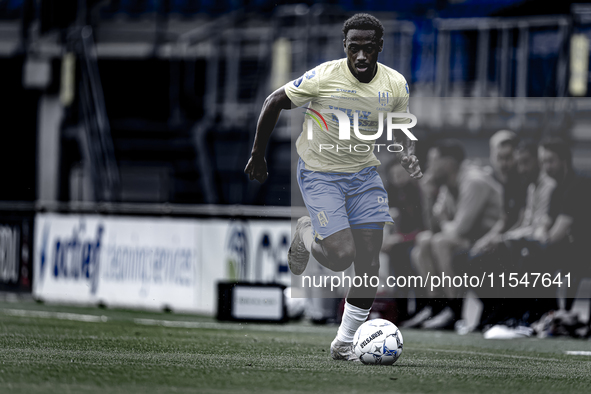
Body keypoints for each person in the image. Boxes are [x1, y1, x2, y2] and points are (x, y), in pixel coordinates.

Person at [244, 13, 423, 361]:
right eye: (353, 47)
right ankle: (306, 231)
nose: (360, 56)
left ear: (379, 48)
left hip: (364, 177)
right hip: (320, 173)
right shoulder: (324, 76)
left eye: (368, 48)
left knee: (369, 265)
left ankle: (343, 343)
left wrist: (408, 153)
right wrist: (257, 153)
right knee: (342, 257)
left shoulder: (395, 84)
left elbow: (399, 126)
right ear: (345, 46)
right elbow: (273, 101)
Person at [406, 140, 502, 329]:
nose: (428, 166)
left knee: (441, 243)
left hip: (491, 238)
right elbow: (432, 228)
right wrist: (427, 196)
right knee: (423, 242)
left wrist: (442, 221)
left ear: (448, 163)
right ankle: (435, 307)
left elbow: (459, 228)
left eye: (433, 160)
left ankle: (455, 312)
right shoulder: (447, 185)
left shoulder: (473, 181)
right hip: (469, 239)